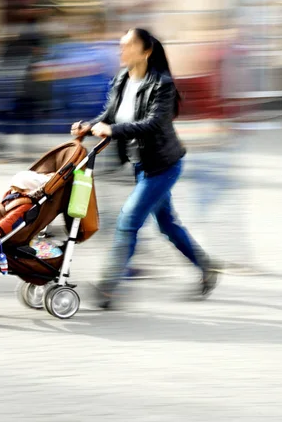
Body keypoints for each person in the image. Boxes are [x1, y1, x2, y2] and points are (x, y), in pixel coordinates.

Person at [71, 28, 220, 308]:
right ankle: (207, 267)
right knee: (168, 225)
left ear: (146, 51)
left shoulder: (162, 84)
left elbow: (154, 124)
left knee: (128, 221)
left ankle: (108, 289)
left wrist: (111, 130)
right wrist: (89, 126)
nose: (121, 51)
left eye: (127, 46)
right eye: (120, 46)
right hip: (141, 164)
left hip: (164, 165)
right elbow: (110, 113)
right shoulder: (121, 79)